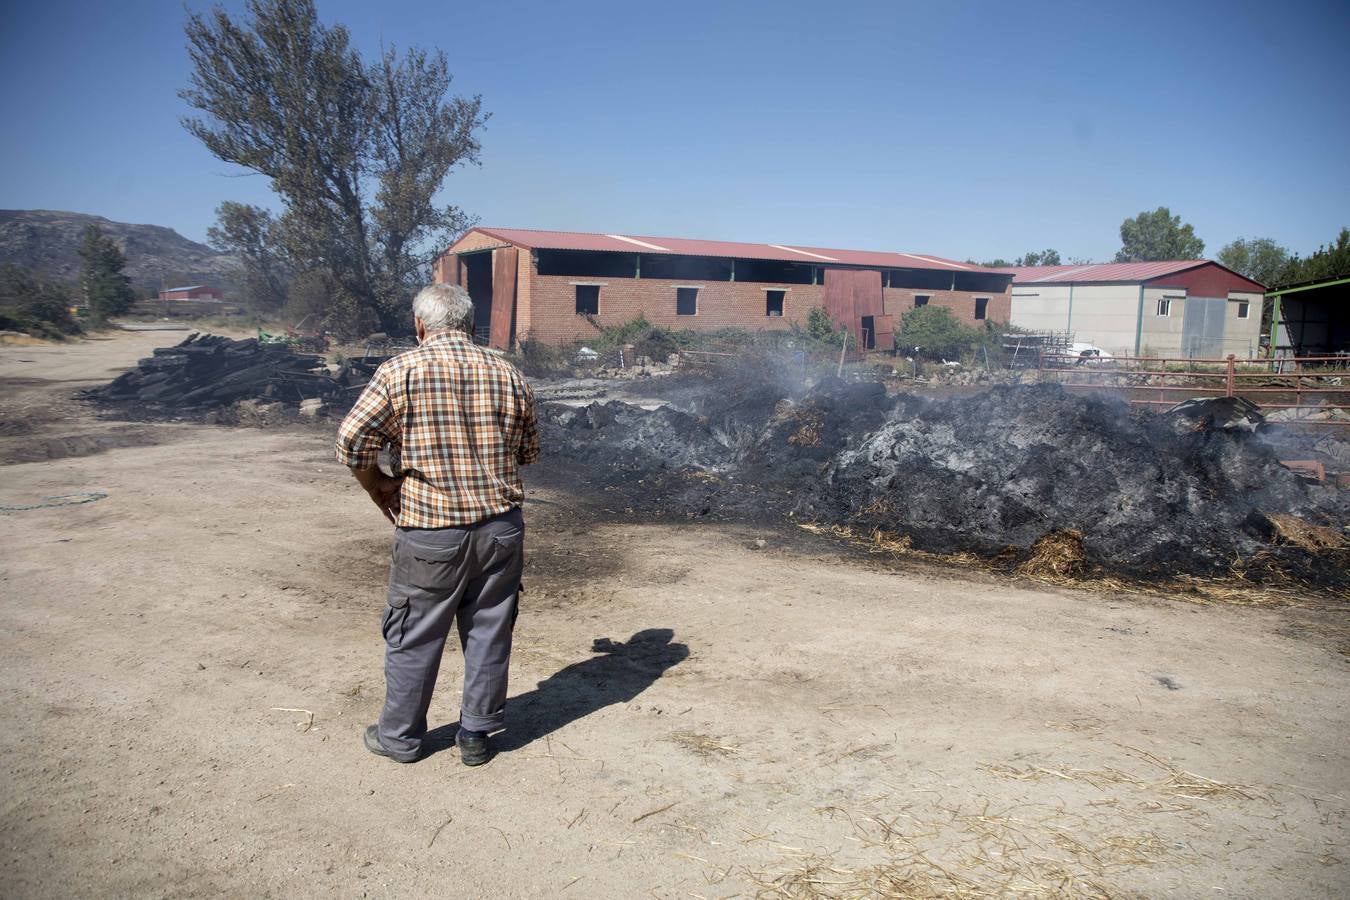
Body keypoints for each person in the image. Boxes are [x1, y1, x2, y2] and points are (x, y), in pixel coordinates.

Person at [335, 283, 540, 766]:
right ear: (470, 325)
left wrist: (378, 486)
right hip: (500, 530)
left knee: (415, 632)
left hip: (430, 532)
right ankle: (476, 735)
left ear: (420, 325)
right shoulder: (508, 373)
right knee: (490, 630)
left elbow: (351, 441)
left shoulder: (399, 370)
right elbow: (527, 452)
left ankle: (400, 738)